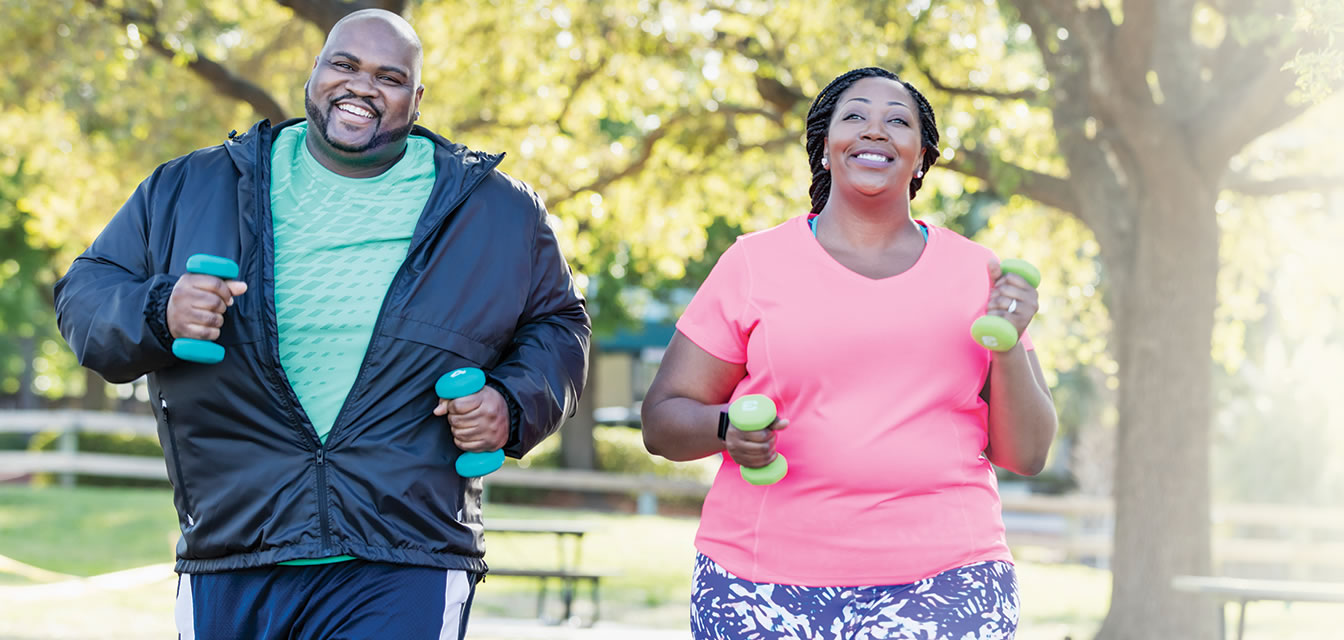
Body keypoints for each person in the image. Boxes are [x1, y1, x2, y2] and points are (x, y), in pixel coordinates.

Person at [52, 9, 589, 638]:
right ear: (314, 72)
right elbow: (85, 293)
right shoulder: (190, 186)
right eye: (344, 64)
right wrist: (160, 309)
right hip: (235, 546)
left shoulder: (496, 209)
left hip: (407, 551)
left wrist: (511, 401)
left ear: (416, 100)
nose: (361, 86)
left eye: (389, 77)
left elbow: (561, 325)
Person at [641, 66, 1058, 639]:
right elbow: (663, 421)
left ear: (922, 155)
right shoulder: (754, 263)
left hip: (946, 578)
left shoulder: (976, 273)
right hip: (759, 581)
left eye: (898, 122)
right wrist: (725, 427)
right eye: (855, 115)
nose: (875, 130)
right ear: (824, 146)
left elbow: (1027, 453)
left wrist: (1008, 343)